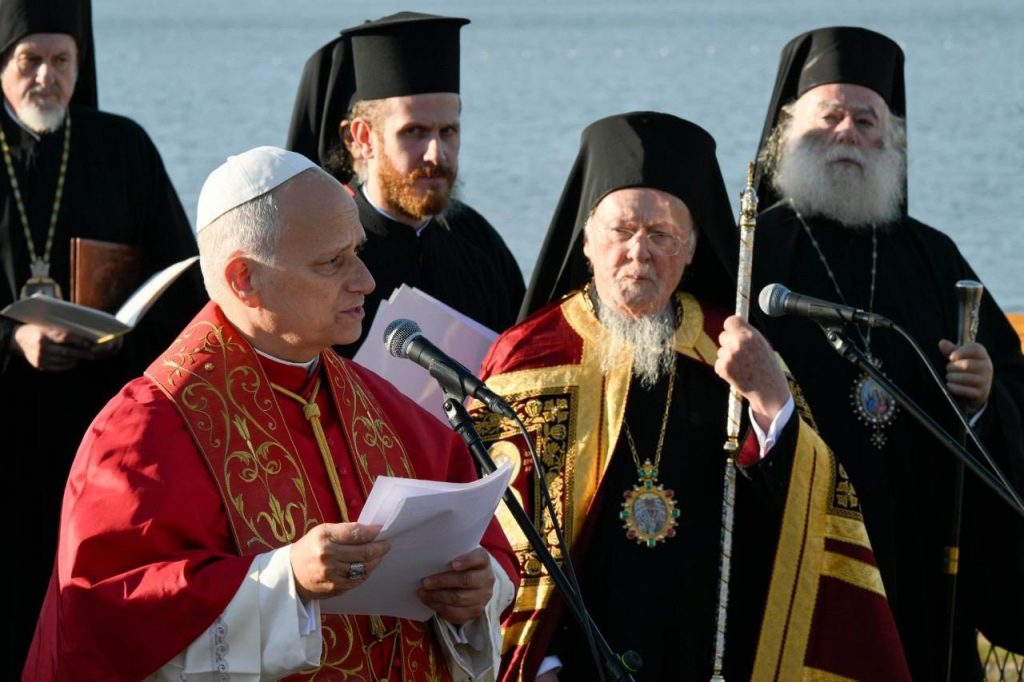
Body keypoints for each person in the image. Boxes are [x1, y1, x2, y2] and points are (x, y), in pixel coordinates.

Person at [23, 146, 518, 681]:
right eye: (332, 262)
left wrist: (476, 588)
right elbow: (109, 619)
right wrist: (287, 580)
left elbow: (485, 544)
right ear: (244, 279)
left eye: (357, 251)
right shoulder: (146, 433)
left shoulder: (389, 409)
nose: (365, 281)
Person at [474, 112, 911, 681]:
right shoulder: (529, 357)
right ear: (586, 241)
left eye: (661, 235)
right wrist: (540, 662)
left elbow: (803, 507)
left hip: (711, 651)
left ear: (691, 248)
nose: (639, 252)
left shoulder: (732, 348)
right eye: (621, 231)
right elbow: (490, 527)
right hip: (573, 661)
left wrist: (771, 403)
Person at [751, 26, 1024, 680]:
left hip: (917, 553)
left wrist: (985, 398)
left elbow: (1010, 385)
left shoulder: (933, 258)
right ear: (788, 131)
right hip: (789, 542)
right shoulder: (750, 253)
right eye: (829, 116)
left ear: (892, 140)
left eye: (866, 120)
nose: (847, 132)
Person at [0, 0, 206, 676]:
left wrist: (121, 336)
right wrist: (13, 340)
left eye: (62, 61)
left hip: (99, 430)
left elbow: (180, 286)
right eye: (30, 60)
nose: (46, 77)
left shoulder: (123, 148)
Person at [286, 11, 525, 355]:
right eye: (414, 132)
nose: (436, 154)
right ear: (363, 138)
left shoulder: (479, 243)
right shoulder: (325, 253)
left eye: (448, 131)